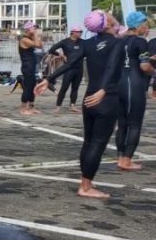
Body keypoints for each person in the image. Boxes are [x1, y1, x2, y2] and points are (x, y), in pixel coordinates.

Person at [34, 11, 125, 199]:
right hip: (106, 97)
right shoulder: (117, 43)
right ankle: (86, 185)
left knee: (89, 141)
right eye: (107, 15)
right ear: (107, 23)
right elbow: (111, 67)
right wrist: (104, 90)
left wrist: (48, 79)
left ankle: (86, 180)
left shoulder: (87, 43)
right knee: (98, 143)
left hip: (89, 97)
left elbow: (70, 64)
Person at [112, 11, 153, 171]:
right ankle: (127, 160)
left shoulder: (119, 41)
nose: (147, 27)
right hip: (134, 84)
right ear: (138, 26)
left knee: (122, 124)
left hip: (119, 84)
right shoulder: (140, 41)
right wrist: (154, 72)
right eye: (145, 24)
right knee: (135, 124)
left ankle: (120, 158)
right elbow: (144, 66)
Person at [47, 26, 85, 113]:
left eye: (81, 32)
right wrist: (60, 55)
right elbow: (51, 49)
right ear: (73, 32)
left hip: (79, 69)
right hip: (69, 69)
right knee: (64, 88)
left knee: (75, 88)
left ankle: (72, 106)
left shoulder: (83, 42)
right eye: (79, 32)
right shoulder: (65, 42)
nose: (80, 33)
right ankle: (58, 107)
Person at [17, 22, 42, 115]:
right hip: (27, 66)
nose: (35, 30)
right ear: (28, 30)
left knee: (32, 86)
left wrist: (36, 35)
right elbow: (37, 45)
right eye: (33, 28)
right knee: (28, 87)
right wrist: (35, 34)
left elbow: (41, 45)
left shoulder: (30, 38)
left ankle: (31, 107)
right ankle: (23, 108)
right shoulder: (24, 40)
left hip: (31, 66)